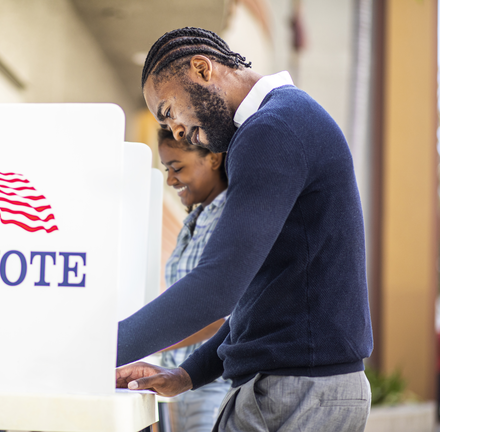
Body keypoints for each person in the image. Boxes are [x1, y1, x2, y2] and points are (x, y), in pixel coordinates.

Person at [115, 27, 373, 432]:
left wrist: (97, 350)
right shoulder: (285, 121)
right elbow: (264, 296)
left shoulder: (271, 130)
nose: (177, 131)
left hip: (296, 395)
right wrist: (187, 375)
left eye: (168, 111)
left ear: (201, 69)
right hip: (303, 388)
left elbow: (218, 286)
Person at [156, 127, 231, 432]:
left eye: (177, 167)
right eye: (166, 169)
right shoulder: (195, 219)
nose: (170, 180)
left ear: (213, 158)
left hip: (212, 386)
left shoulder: (230, 220)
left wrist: (149, 343)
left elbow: (222, 318)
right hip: (177, 386)